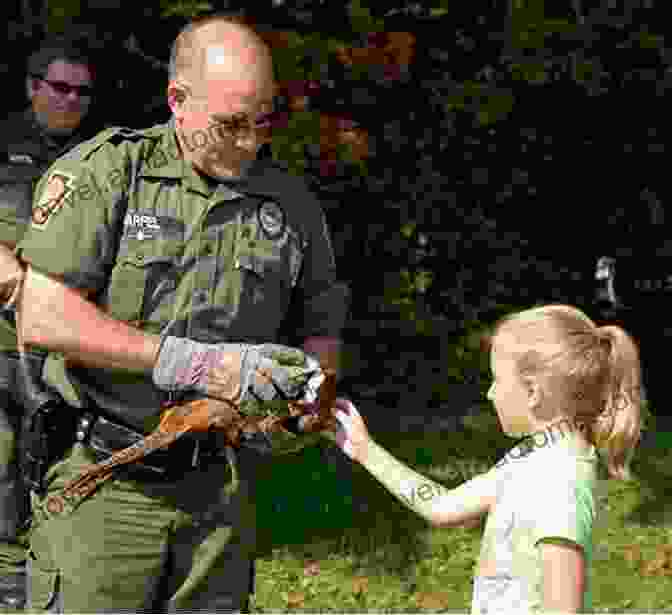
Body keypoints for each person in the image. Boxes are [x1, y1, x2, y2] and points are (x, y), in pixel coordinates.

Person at [11, 13, 348, 613]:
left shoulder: (291, 203)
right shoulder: (110, 172)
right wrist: (194, 363)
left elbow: (321, 321)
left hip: (221, 493)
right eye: (230, 125)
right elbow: (43, 316)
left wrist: (301, 401)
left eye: (263, 121)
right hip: (108, 485)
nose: (250, 142)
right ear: (177, 101)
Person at [327, 304, 641, 613]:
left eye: (497, 380)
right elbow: (442, 506)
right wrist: (366, 451)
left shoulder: (562, 484)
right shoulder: (529, 457)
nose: (490, 393)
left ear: (532, 391)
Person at [0, 35, 106, 610]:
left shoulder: (100, 158)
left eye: (82, 91)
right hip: (1, 346)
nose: (71, 99)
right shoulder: (3, 144)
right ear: (32, 87)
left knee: (64, 473)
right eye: (59, 87)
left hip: (71, 348)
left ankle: (58, 590)